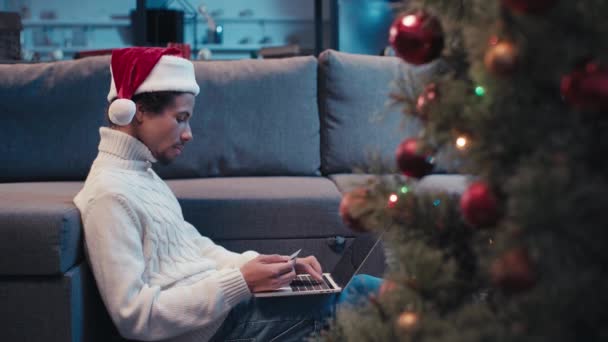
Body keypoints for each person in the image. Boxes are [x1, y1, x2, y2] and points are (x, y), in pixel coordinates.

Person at [74, 47, 381, 342]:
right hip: (216, 330)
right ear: (138, 111)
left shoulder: (142, 175)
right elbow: (135, 316)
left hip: (225, 311)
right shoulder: (110, 195)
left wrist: (264, 266)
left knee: (359, 292)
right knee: (362, 302)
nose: (188, 133)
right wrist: (242, 282)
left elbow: (195, 248)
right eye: (181, 118)